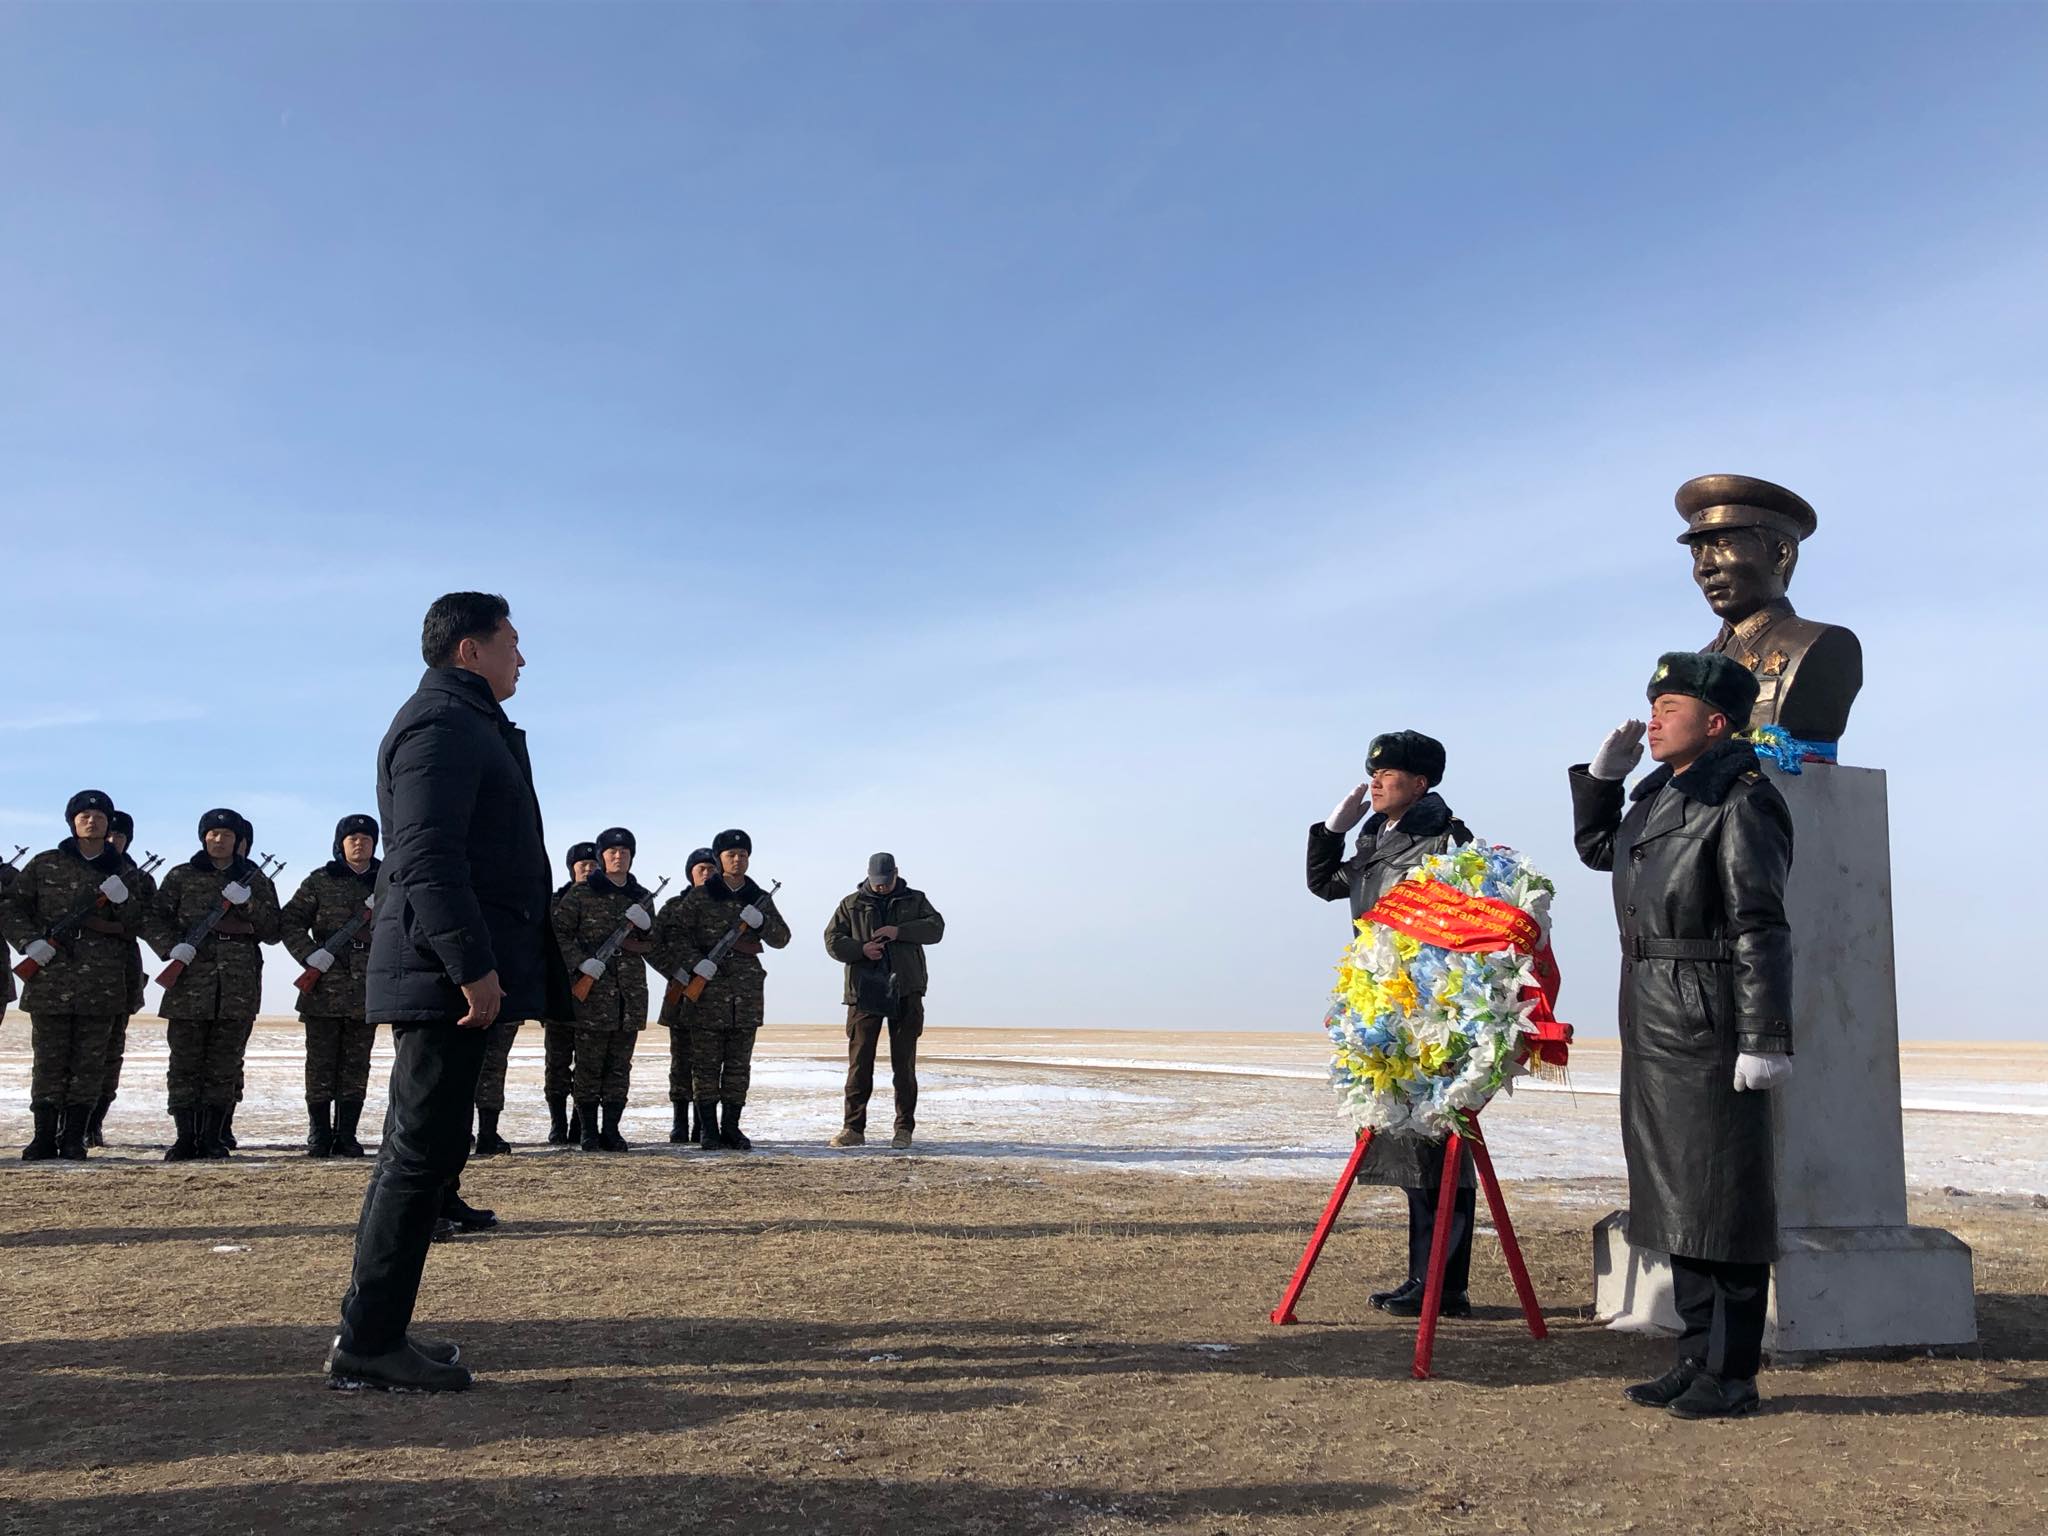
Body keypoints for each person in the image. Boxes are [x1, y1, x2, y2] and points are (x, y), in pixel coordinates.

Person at [327, 591, 569, 1393]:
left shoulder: (468, 722)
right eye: (511, 642)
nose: (522, 657)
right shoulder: (442, 725)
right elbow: (426, 856)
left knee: (423, 1151)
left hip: (443, 971)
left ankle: (375, 1329)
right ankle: (368, 1343)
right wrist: (469, 963)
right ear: (471, 649)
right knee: (418, 1153)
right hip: (441, 977)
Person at [1570, 651, 1795, 1421]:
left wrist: (1763, 1035)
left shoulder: (1741, 800)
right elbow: (1600, 851)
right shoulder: (1658, 796)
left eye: (1671, 707)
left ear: (1718, 722)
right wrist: (1602, 782)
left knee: (1725, 1202)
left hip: (1708, 1016)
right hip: (1652, 1012)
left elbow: (1760, 923)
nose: (1654, 719)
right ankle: (1694, 1357)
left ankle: (1732, 1375)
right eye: (1654, 704)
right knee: (1678, 1200)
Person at [1305, 731, 1481, 1317]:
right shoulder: (1377, 837)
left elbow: (1468, 925)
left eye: (1388, 774)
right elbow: (1326, 886)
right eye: (1372, 773)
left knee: (1440, 1150)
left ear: (1420, 783)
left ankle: (1445, 1286)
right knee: (1408, 1150)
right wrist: (1330, 833)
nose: (1375, 782)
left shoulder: (1446, 840)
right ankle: (1423, 1278)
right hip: (1385, 1009)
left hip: (1428, 1012)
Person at [0, 790, 156, 1161]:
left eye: (99, 816)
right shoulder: (45, 864)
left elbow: (146, 923)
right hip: (51, 978)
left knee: (89, 1064)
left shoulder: (127, 874)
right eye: (84, 815)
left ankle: (74, 1137)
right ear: (72, 822)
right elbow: (10, 907)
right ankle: (43, 1136)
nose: (92, 820)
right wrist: (29, 942)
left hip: (103, 982)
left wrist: (125, 902)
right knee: (49, 1061)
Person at [148, 807, 282, 1160]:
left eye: (227, 835)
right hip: (189, 982)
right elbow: (154, 918)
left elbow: (273, 931)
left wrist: (249, 904)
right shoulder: (181, 876)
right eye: (213, 834)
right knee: (184, 1064)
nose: (219, 840)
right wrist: (170, 947)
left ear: (238, 841)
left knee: (224, 1065)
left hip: (238, 986)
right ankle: (185, 1137)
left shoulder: (256, 881)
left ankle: (212, 1137)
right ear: (203, 838)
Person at [650, 828, 789, 1151]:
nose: (737, 860)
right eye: (731, 855)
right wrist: (695, 963)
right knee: (705, 1066)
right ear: (720, 858)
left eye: (743, 855)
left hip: (746, 995)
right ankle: (709, 1130)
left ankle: (731, 1127)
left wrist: (762, 923)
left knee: (739, 1067)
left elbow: (782, 938)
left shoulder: (758, 897)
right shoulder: (700, 897)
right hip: (708, 996)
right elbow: (673, 936)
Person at [824, 853, 945, 1150]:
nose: (881, 886)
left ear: (896, 873)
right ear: (868, 876)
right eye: (877, 881)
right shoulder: (851, 904)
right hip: (864, 991)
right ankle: (853, 1129)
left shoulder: (915, 900)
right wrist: (861, 949)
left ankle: (903, 1129)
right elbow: (832, 940)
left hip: (906, 989)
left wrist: (899, 932)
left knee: (904, 1065)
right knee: (859, 1063)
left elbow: (936, 929)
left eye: (886, 881)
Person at [551, 825, 657, 1152]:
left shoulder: (641, 897)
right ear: (602, 856)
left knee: (619, 1067)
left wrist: (648, 927)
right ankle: (587, 1131)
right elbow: (557, 933)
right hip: (593, 995)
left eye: (625, 851)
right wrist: (580, 963)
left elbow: (656, 944)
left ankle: (611, 1129)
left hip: (629, 995)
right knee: (588, 1065)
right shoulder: (581, 894)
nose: (618, 856)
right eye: (612, 851)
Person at [282, 815, 382, 1157]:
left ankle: (347, 1135)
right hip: (324, 986)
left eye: (366, 838)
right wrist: (309, 955)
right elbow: (290, 921)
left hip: (368, 987)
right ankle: (320, 1134)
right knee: (320, 1065)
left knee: (357, 1065)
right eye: (353, 838)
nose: (360, 843)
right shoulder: (320, 881)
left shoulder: (387, 883)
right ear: (340, 844)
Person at [84, 809, 153, 1148]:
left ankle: (93, 1123)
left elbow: (150, 922)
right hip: (68, 978)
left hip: (119, 975)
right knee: (70, 1056)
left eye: (121, 836)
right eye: (110, 834)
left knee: (110, 1054)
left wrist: (116, 920)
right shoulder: (70, 869)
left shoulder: (139, 879)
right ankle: (64, 1125)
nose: (113, 840)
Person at [659, 846, 716, 1144]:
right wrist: (675, 971)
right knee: (681, 1062)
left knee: (709, 1064)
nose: (707, 874)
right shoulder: (673, 907)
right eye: (701, 869)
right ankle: (680, 1121)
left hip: (717, 998)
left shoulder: (727, 906)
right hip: (682, 995)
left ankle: (705, 1125)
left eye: (712, 869)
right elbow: (653, 944)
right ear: (690, 874)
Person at [543, 841, 598, 1146]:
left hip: (595, 999)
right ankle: (558, 1123)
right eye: (582, 865)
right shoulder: (555, 901)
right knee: (557, 1062)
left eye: (593, 865)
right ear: (571, 869)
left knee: (588, 1064)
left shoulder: (607, 902)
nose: (588, 870)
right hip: (560, 994)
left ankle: (580, 1123)